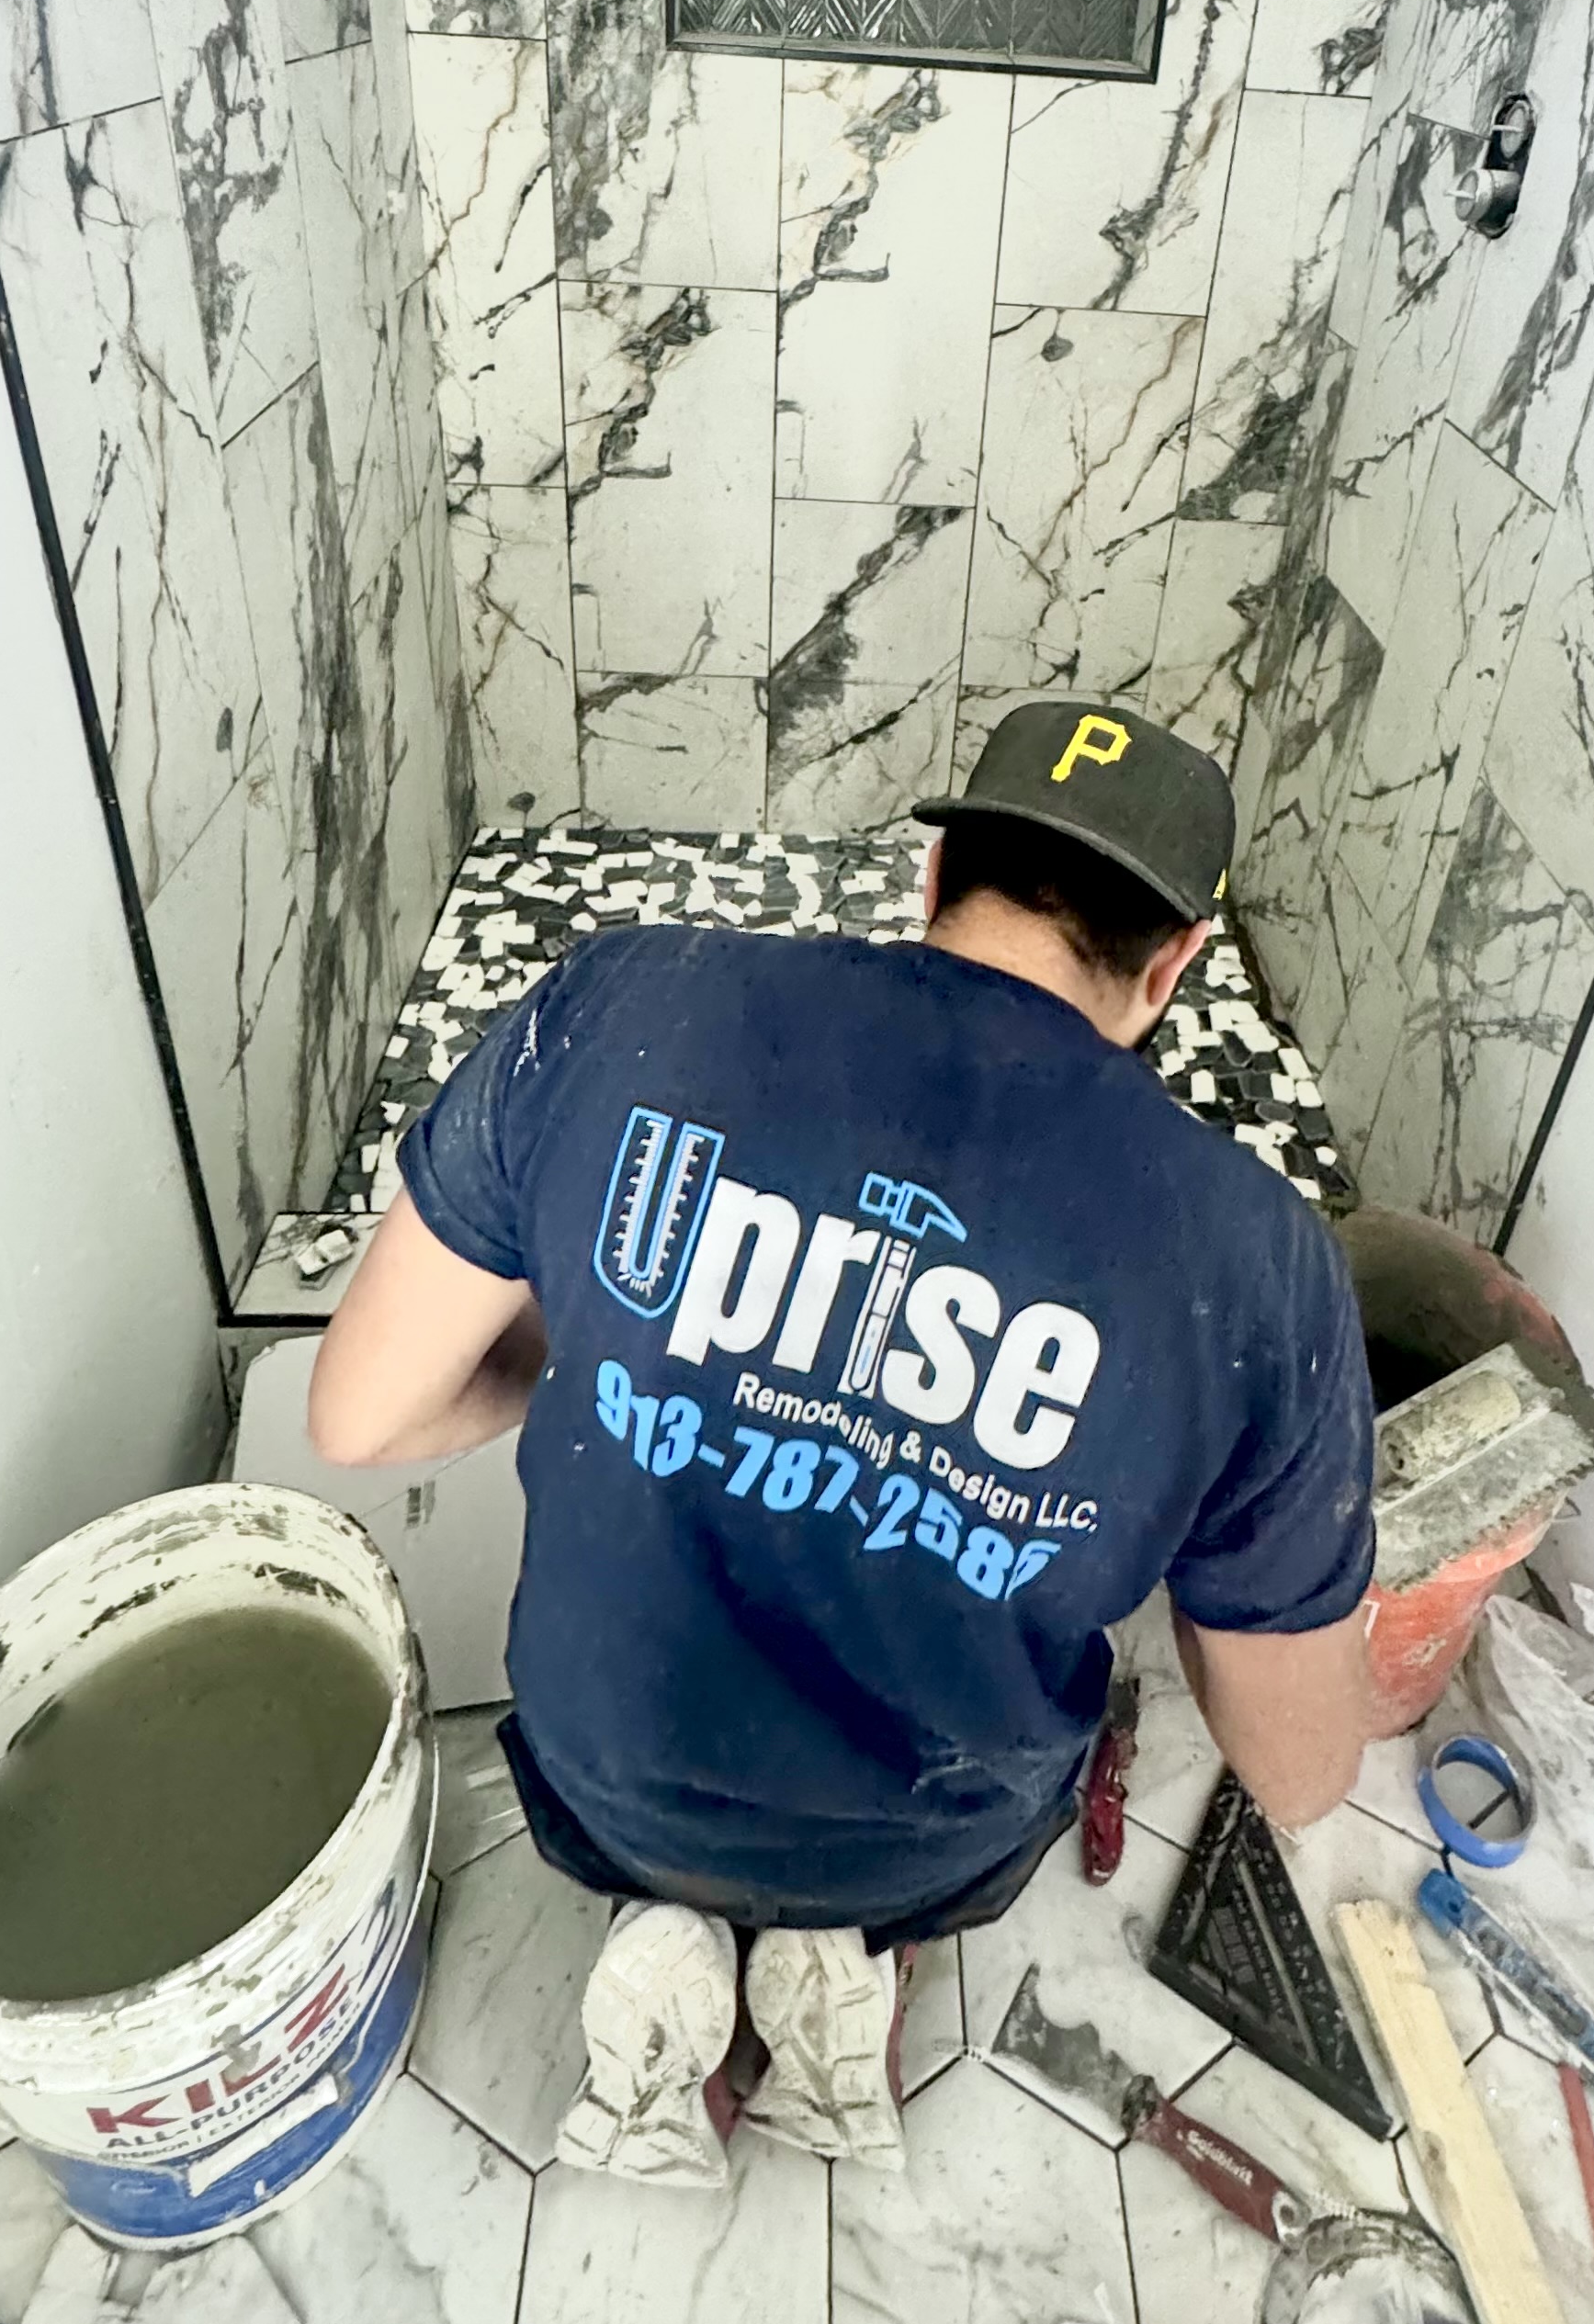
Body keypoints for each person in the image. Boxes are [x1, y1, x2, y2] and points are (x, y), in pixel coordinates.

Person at [310, 700, 1378, 2188]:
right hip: (927, 1837)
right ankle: (849, 1974)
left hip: (598, 1772)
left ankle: (661, 1932)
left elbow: (359, 1415)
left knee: (654, 1793)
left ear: (935, 879)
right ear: (1174, 970)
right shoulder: (1262, 1264)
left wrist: (603, 1339)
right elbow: (1305, 1769)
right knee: (934, 1818)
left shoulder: (625, 1000)